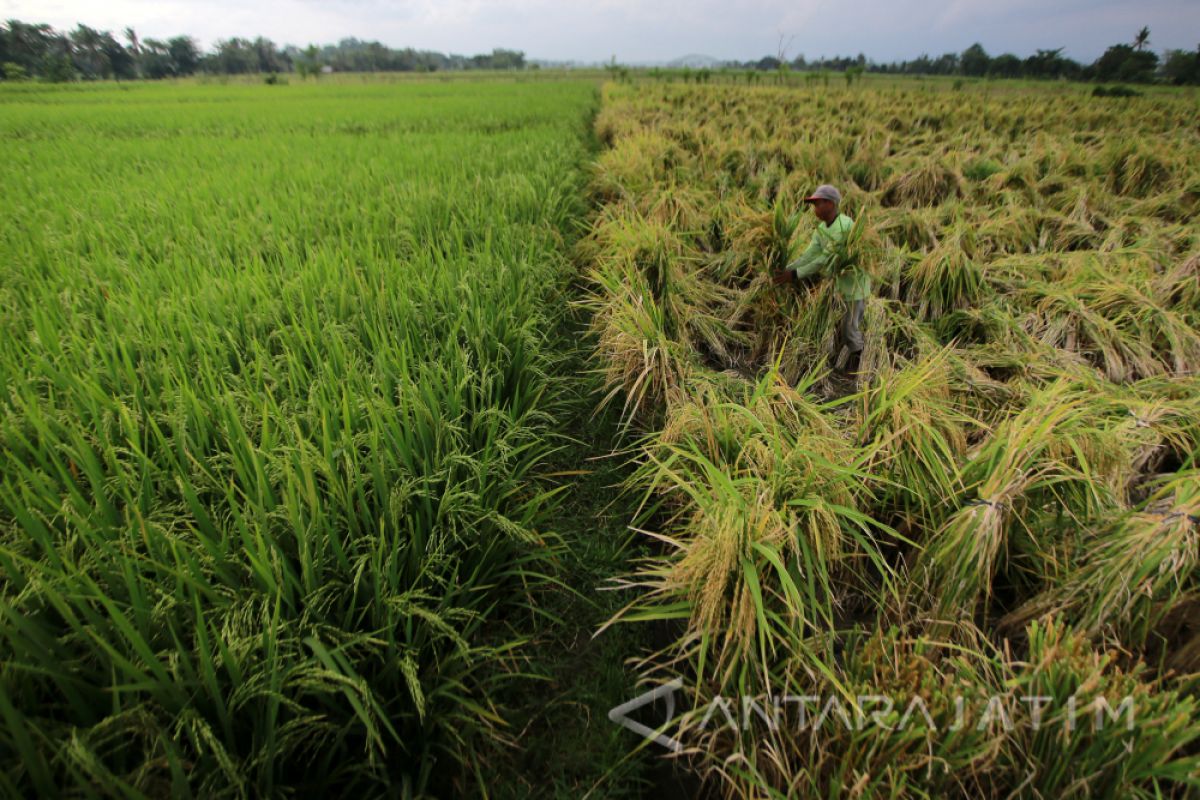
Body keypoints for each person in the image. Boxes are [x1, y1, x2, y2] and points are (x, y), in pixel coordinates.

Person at [771, 184, 870, 374]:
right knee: (837, 324)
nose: (814, 209)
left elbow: (823, 260)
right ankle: (844, 362)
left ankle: (862, 369)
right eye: (814, 204)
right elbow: (809, 255)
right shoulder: (822, 229)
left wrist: (793, 275)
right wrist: (786, 268)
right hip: (836, 285)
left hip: (853, 285)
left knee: (850, 329)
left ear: (831, 204)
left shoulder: (844, 225)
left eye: (818, 204)